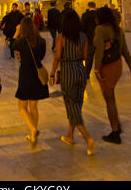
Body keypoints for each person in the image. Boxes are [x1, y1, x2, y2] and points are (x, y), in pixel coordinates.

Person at [50, 9, 95, 155]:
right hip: (81, 71)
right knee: (76, 105)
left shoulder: (61, 37)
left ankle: (88, 138)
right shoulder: (83, 36)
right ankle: (70, 135)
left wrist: (52, 74)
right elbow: (85, 55)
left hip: (68, 72)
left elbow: (57, 57)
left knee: (71, 105)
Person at [93, 7, 131, 144]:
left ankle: (115, 132)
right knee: (111, 97)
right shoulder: (118, 30)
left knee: (109, 100)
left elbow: (99, 51)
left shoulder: (100, 29)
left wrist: (96, 70)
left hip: (106, 68)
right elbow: (125, 51)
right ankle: (116, 126)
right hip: (117, 65)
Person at [13, 17, 49, 145]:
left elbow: (12, 47)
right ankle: (32, 133)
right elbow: (42, 56)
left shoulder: (20, 42)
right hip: (37, 74)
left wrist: (16, 33)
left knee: (22, 107)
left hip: (25, 74)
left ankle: (33, 129)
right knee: (33, 106)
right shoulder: (42, 41)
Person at [81, 2, 97, 79]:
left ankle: (87, 73)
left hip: (89, 39)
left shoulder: (85, 15)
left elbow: (82, 27)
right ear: (95, 6)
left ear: (88, 6)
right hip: (98, 38)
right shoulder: (99, 14)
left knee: (89, 57)